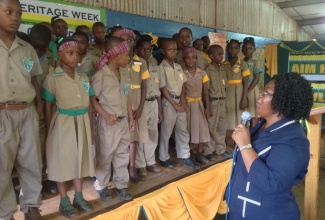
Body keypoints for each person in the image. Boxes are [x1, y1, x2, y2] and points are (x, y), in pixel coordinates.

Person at [226, 72, 313, 219]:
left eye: (267, 92)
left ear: (283, 100)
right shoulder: (262, 125)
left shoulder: (294, 141)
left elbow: (272, 183)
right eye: (263, 91)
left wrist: (245, 146)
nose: (260, 95)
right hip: (240, 212)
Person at [42, 37, 95, 218]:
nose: (74, 57)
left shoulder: (83, 77)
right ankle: (64, 201)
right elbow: (47, 106)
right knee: (62, 163)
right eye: (69, 53)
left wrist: (92, 130)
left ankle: (78, 197)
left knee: (80, 160)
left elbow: (90, 104)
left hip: (82, 122)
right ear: (60, 54)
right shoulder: (52, 77)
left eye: (77, 54)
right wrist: (51, 131)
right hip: (63, 124)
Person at [0, 0, 44, 219]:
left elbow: (33, 79)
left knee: (31, 162)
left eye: (18, 13)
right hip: (1, 112)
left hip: (26, 112)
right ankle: (5, 212)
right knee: (2, 166)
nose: (15, 17)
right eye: (9, 12)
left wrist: (36, 106)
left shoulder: (26, 48)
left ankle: (31, 206)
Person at [91, 36, 134, 201]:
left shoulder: (124, 73)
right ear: (116, 56)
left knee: (122, 154)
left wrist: (130, 118)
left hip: (122, 121)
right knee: (105, 155)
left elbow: (127, 96)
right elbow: (92, 100)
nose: (129, 58)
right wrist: (106, 115)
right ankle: (101, 185)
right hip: (109, 123)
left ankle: (122, 185)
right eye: (127, 55)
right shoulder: (101, 75)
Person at [158, 39, 199, 170]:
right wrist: (175, 105)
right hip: (169, 103)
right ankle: (164, 157)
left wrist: (182, 101)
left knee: (182, 130)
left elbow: (183, 85)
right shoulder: (161, 68)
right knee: (166, 132)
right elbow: (163, 89)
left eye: (175, 49)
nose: (173, 52)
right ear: (163, 51)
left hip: (180, 102)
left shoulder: (178, 67)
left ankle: (185, 156)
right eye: (170, 50)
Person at [29, 23, 58, 195]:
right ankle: (35, 185)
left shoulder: (52, 60)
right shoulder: (25, 58)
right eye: (36, 48)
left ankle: (49, 180)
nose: (38, 52)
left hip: (50, 112)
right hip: (31, 113)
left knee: (50, 150)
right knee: (33, 153)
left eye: (42, 48)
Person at [118, 28, 150, 182]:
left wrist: (142, 106)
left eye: (129, 40)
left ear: (133, 42)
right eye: (123, 40)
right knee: (122, 136)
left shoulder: (141, 62)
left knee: (134, 137)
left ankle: (132, 167)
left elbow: (145, 85)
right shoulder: (118, 61)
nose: (126, 43)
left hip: (138, 103)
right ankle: (120, 168)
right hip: (122, 103)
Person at [135, 39, 163, 175]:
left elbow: (157, 88)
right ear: (137, 50)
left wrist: (160, 109)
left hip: (153, 103)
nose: (146, 52)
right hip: (142, 103)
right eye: (143, 49)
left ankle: (150, 161)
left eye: (148, 50)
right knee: (141, 134)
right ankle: (140, 164)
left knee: (153, 133)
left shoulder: (154, 65)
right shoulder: (135, 65)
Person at [182, 47, 211, 164]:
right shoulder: (182, 73)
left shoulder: (202, 73)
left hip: (199, 104)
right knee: (188, 129)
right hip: (188, 105)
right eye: (188, 58)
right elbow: (182, 91)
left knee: (202, 128)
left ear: (196, 59)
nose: (190, 60)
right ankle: (190, 153)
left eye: (193, 58)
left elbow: (205, 91)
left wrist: (207, 107)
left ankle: (200, 152)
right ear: (184, 59)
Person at [204, 45, 230, 160]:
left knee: (221, 127)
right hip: (213, 102)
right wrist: (207, 106)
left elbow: (225, 86)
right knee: (211, 127)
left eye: (222, 54)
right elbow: (205, 90)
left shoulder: (222, 69)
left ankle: (220, 149)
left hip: (222, 101)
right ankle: (208, 150)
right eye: (219, 54)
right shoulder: (207, 70)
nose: (221, 56)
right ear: (210, 56)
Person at [224, 39, 250, 131]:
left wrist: (244, 98)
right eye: (230, 48)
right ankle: (228, 138)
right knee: (228, 115)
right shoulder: (223, 64)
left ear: (239, 49)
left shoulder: (243, 64)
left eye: (235, 48)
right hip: (227, 92)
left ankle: (238, 141)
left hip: (239, 92)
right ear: (227, 49)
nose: (233, 50)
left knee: (239, 115)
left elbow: (246, 82)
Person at [242, 37, 264, 128]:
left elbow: (257, 78)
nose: (247, 51)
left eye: (250, 48)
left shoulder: (255, 62)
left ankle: (253, 134)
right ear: (242, 50)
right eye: (245, 49)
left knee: (253, 115)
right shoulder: (241, 62)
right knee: (244, 114)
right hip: (243, 88)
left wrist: (247, 91)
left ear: (254, 49)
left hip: (251, 89)